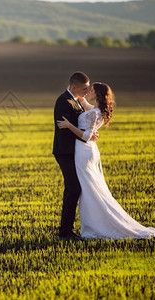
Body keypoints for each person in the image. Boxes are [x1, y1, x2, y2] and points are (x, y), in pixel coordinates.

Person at [57, 82, 155, 239]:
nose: (88, 91)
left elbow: (85, 136)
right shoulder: (95, 110)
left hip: (84, 151)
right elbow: (83, 105)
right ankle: (91, 223)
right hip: (85, 151)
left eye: (90, 90)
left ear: (97, 94)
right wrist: (75, 91)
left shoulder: (94, 113)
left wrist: (69, 125)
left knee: (89, 189)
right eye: (86, 89)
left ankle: (95, 225)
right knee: (90, 188)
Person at [52, 71, 97, 240]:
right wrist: (86, 136)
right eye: (85, 88)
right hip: (65, 152)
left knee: (72, 189)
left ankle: (66, 230)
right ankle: (65, 232)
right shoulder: (64, 101)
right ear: (73, 87)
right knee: (74, 189)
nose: (87, 91)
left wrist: (90, 134)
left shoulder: (77, 101)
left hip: (75, 151)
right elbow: (64, 130)